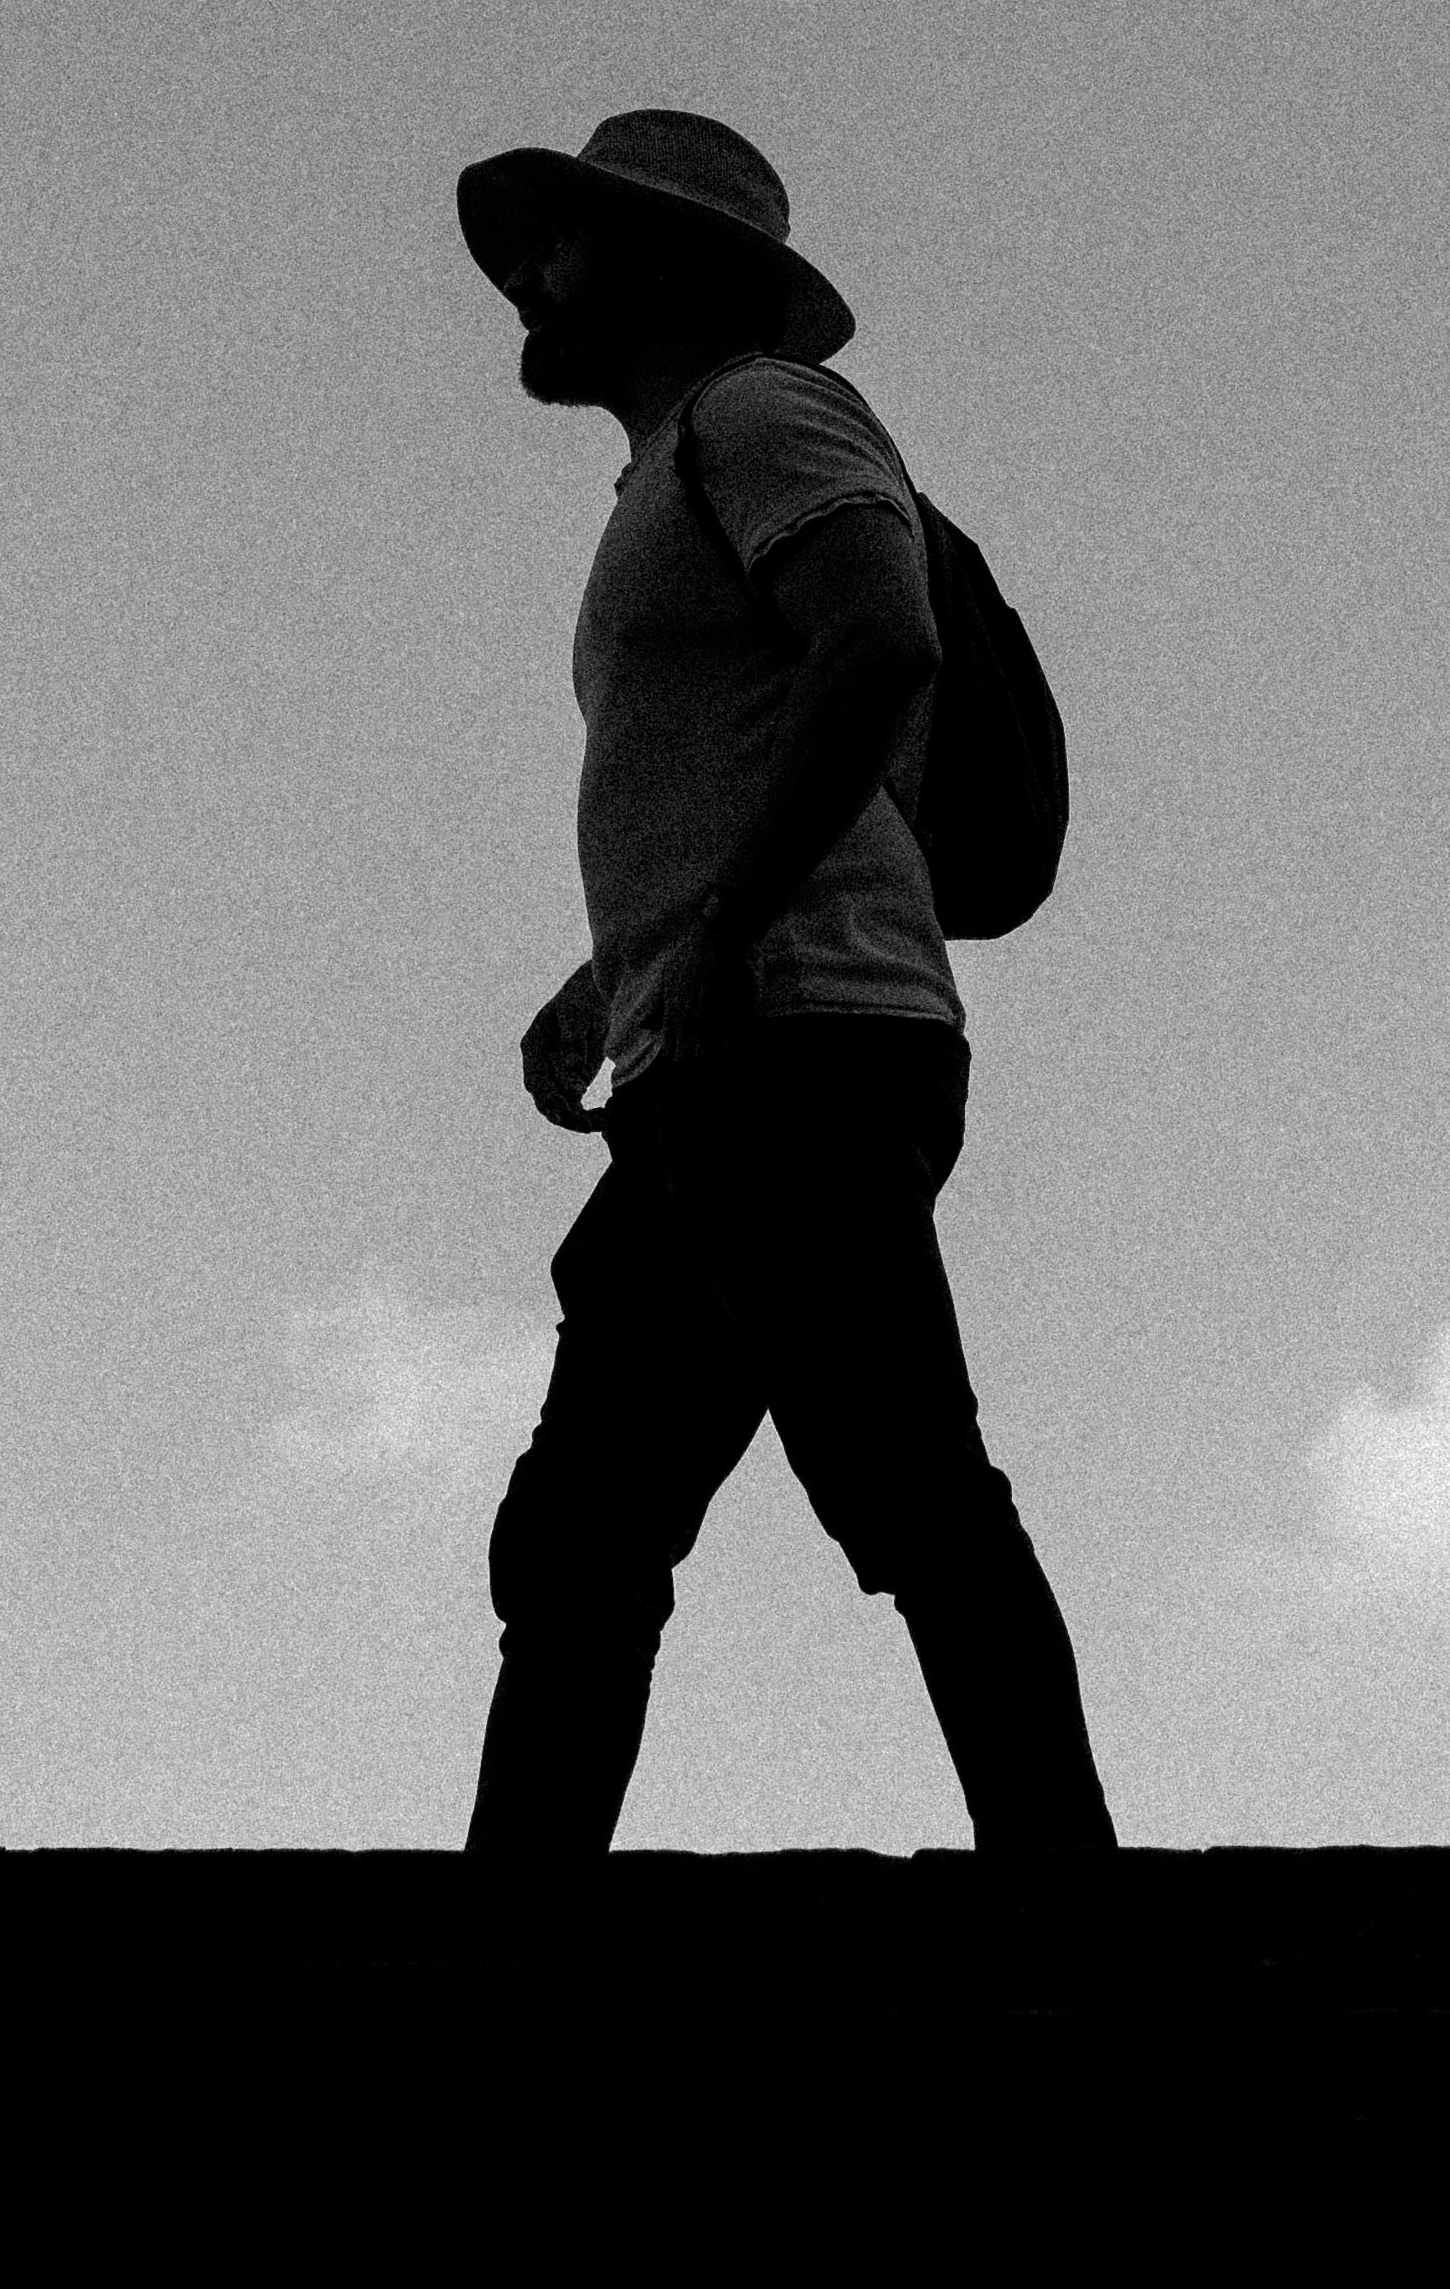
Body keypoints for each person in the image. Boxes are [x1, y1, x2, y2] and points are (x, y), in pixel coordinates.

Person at [447, 108, 1116, 1853]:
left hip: (798, 1041)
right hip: (713, 1048)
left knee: (903, 1484)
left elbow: (878, 641)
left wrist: (732, 925)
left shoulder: (765, 416)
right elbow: (743, 749)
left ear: (669, 262)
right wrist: (619, 979)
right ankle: (510, 1931)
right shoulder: (671, 467)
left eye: (564, 243)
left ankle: (1074, 1906)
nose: (528, 278)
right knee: (582, 1534)